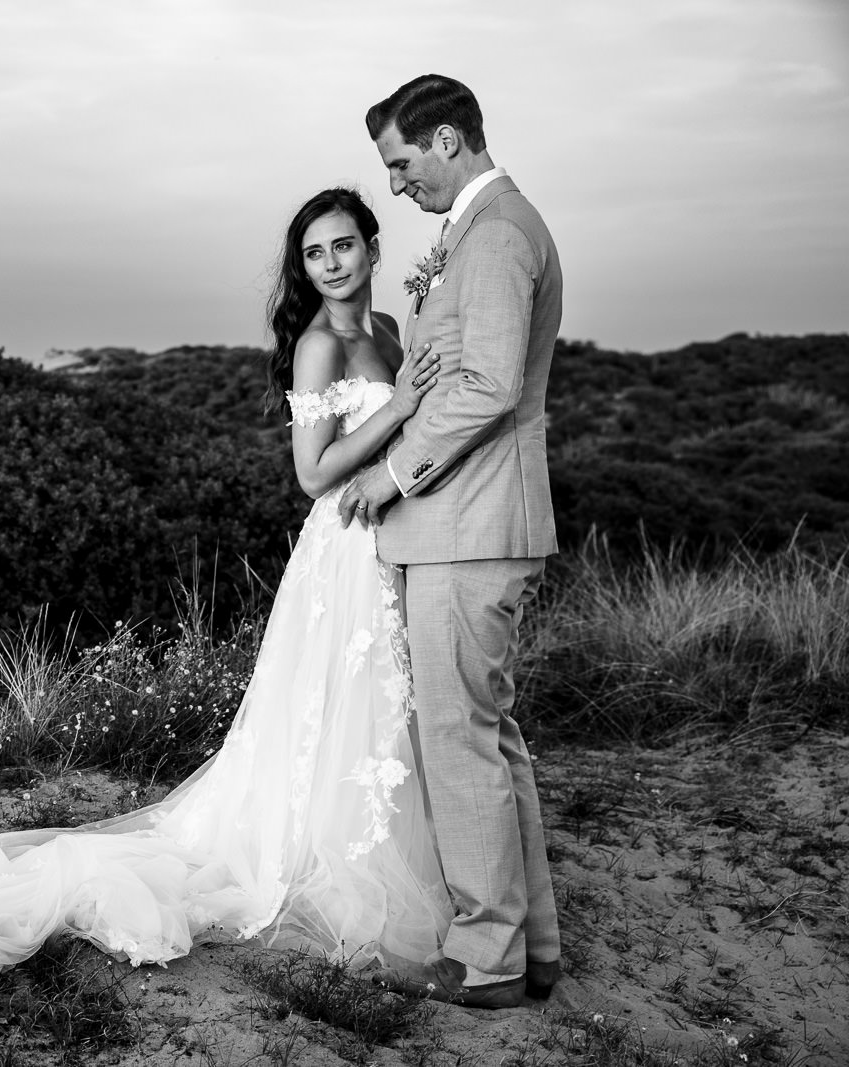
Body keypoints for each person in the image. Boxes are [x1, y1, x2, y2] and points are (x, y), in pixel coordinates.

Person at [0, 189, 454, 1023]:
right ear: (306, 265)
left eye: (344, 245)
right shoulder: (319, 346)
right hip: (341, 546)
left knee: (374, 708)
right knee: (333, 704)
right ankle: (328, 862)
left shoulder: (392, 330)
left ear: (371, 246)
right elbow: (314, 474)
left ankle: (369, 837)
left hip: (390, 538)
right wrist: (398, 405)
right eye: (315, 252)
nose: (331, 263)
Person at [338, 74, 563, 1009]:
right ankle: (533, 942)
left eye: (398, 163)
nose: (394, 185)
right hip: (466, 525)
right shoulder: (479, 232)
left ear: (443, 141)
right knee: (491, 734)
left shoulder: (501, 233)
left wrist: (390, 475)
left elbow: (489, 386)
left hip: (468, 529)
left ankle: (487, 959)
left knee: (457, 739)